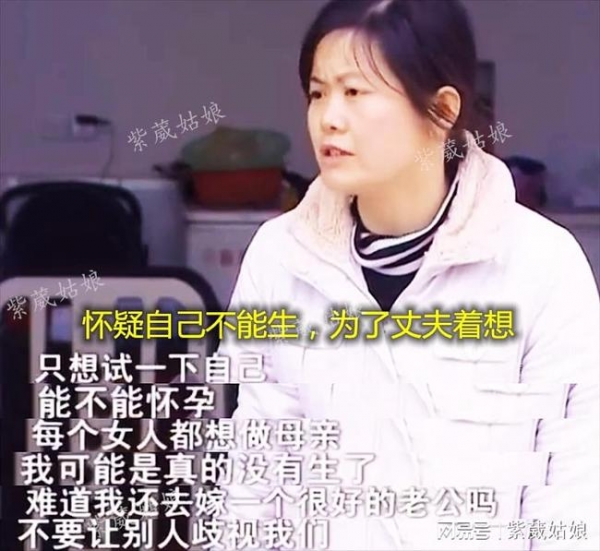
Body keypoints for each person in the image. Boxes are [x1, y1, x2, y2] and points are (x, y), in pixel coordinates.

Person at [216, 1, 600, 550]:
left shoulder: (542, 266)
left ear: (442, 110)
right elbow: (256, 479)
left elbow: (571, 496)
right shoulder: (279, 258)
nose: (329, 118)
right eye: (318, 93)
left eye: (355, 92)